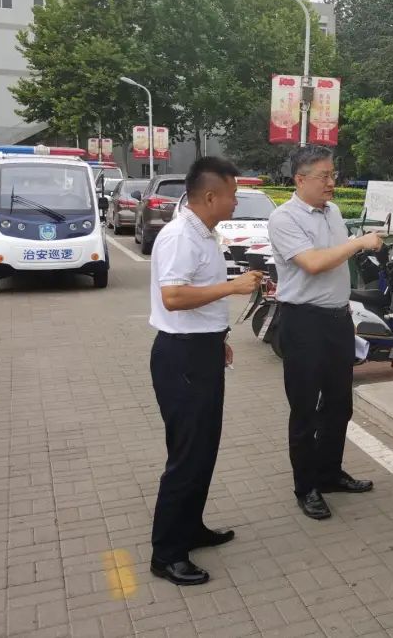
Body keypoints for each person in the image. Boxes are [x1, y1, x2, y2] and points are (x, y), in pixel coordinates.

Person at [148, 157, 263, 585]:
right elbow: (174, 297)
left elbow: (197, 298)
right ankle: (167, 554)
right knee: (187, 456)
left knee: (203, 449)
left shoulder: (204, 233)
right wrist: (234, 287)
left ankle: (190, 527)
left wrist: (219, 339)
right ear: (211, 196)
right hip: (182, 357)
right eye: (232, 195)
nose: (236, 202)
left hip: (202, 350)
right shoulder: (181, 236)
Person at [268, 146, 383, 520]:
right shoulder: (284, 218)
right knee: (304, 409)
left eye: (334, 175)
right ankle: (306, 487)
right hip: (303, 322)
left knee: (339, 404)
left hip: (337, 320)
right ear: (300, 179)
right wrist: (358, 242)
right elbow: (314, 263)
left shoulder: (332, 212)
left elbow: (337, 260)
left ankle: (330, 473)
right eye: (324, 176)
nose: (332, 183)